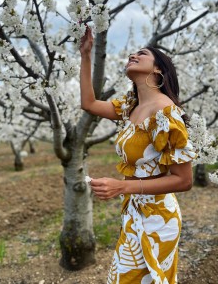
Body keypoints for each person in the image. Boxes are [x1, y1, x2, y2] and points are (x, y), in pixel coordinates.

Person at [79, 26, 197, 284]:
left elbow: (184, 180)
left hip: (159, 219)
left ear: (158, 69)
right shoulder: (130, 107)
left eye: (142, 53)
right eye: (131, 53)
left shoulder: (166, 115)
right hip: (135, 212)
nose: (133, 55)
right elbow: (89, 103)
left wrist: (122, 186)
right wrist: (86, 56)